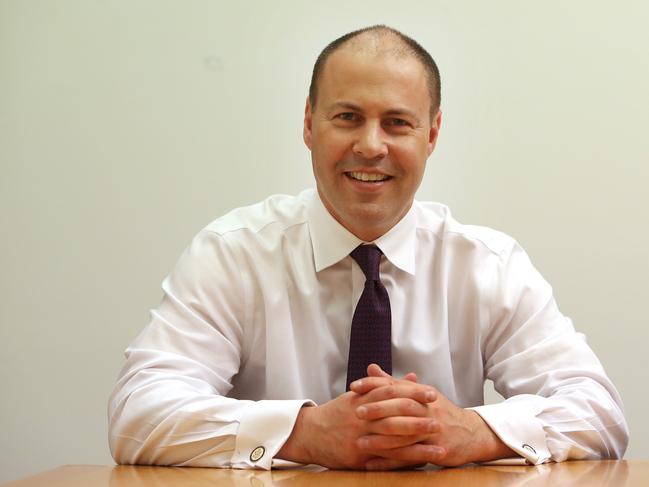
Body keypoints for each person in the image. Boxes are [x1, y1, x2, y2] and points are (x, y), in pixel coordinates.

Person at [108, 25, 628, 470]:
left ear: (432, 134)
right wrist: (306, 433)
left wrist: (469, 432)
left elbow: (599, 414)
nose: (371, 146)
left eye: (397, 122)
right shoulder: (233, 254)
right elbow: (138, 413)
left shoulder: (486, 265)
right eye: (348, 117)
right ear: (309, 124)